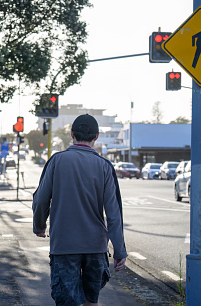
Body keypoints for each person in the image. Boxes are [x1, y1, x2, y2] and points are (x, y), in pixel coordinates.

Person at [33, 114, 127, 306]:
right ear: (97, 136)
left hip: (64, 247)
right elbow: (114, 214)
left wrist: (39, 226)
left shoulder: (56, 161)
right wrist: (119, 250)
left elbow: (41, 200)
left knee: (68, 302)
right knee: (90, 301)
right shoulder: (105, 166)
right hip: (96, 247)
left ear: (72, 134)